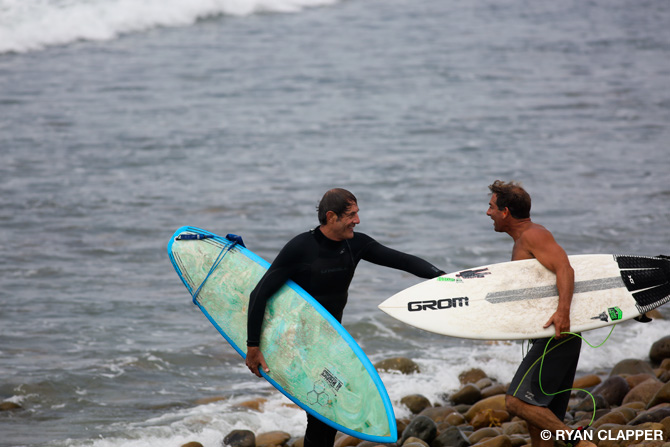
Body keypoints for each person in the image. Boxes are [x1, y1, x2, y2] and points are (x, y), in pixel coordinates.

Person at [245, 188, 444, 447]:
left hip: (331, 341)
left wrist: (441, 276)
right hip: (300, 344)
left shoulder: (356, 244)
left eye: (357, 214)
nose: (357, 220)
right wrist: (253, 347)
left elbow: (400, 260)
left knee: (327, 412)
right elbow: (259, 294)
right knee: (322, 412)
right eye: (351, 215)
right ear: (331, 216)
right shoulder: (301, 248)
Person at [486, 180, 596, 447]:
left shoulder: (534, 235)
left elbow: (565, 269)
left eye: (491, 207)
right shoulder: (525, 238)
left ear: (506, 212)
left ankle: (580, 443)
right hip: (551, 334)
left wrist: (563, 312)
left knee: (517, 402)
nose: (487, 212)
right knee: (539, 421)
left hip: (556, 333)